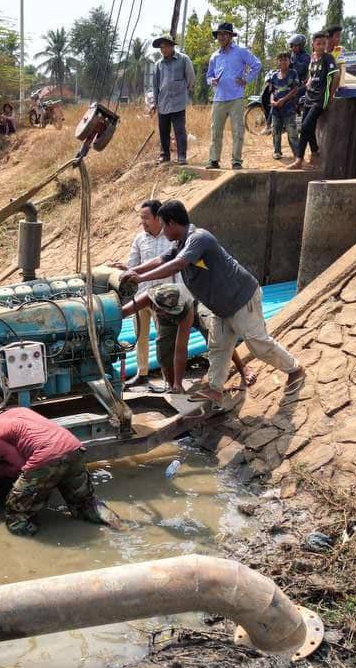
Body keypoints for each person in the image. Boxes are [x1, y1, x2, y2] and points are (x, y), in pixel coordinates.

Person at [120, 200, 303, 407]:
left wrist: (140, 279)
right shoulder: (179, 244)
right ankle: (215, 390)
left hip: (241, 298)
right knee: (218, 347)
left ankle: (294, 369)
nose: (162, 231)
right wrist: (135, 272)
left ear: (172, 223)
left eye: (163, 225)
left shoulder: (198, 238)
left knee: (257, 343)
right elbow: (162, 260)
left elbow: (178, 264)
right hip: (220, 306)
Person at [0, 399, 108, 538]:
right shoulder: (18, 411)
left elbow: (21, 468)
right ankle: (123, 526)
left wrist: (1, 470)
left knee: (16, 514)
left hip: (47, 458)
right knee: (85, 504)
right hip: (74, 449)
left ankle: (38, 555)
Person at [122, 199, 174, 387]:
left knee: (165, 339)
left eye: (146, 218)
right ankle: (142, 372)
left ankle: (168, 377)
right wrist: (123, 270)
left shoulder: (171, 237)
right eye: (141, 218)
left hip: (163, 298)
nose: (143, 222)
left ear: (158, 218)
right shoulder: (140, 239)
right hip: (141, 296)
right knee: (140, 336)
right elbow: (132, 265)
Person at [205, 22, 262, 170]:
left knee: (238, 130)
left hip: (236, 97)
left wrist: (246, 80)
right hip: (218, 98)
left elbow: (257, 64)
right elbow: (208, 75)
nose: (221, 37)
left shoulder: (241, 51)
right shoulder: (214, 56)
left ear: (231, 36)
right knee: (216, 130)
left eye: (224, 34)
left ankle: (236, 161)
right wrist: (212, 80)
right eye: (219, 34)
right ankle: (213, 160)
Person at [288, 31, 339, 171]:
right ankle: (315, 152)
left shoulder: (328, 58)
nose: (322, 46)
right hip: (309, 97)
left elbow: (336, 76)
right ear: (313, 45)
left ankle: (299, 159)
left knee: (304, 127)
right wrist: (305, 86)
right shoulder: (312, 58)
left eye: (324, 43)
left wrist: (331, 95)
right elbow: (312, 75)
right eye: (319, 44)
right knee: (307, 127)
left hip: (320, 98)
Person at [149, 34, 195, 164]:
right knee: (164, 131)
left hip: (178, 102)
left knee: (180, 130)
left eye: (165, 47)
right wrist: (155, 103)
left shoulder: (183, 59)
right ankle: (165, 156)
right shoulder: (158, 65)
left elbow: (191, 77)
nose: (163, 50)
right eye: (161, 48)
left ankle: (181, 157)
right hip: (163, 103)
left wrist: (184, 90)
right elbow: (155, 85)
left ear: (171, 46)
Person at [265, 51, 303, 160]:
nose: (283, 62)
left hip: (289, 108)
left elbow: (295, 89)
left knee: (292, 132)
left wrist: (283, 99)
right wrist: (272, 101)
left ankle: (297, 154)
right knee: (275, 131)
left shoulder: (293, 73)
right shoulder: (274, 76)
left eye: (285, 59)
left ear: (289, 61)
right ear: (277, 62)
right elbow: (272, 91)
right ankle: (277, 151)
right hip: (276, 109)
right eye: (280, 60)